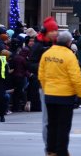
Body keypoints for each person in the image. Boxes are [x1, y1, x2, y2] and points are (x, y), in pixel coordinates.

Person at [38, 31, 81, 156]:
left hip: (49, 94)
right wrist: (80, 94)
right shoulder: (69, 56)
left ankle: (51, 150)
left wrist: (46, 88)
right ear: (69, 42)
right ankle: (61, 151)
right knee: (63, 126)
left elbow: (41, 75)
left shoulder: (47, 54)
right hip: (65, 96)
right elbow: (76, 77)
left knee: (51, 124)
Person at [28, 16, 59, 144]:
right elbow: (31, 64)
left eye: (56, 30)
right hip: (45, 84)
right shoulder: (38, 45)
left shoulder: (56, 44)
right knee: (47, 118)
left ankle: (55, 144)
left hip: (57, 84)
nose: (55, 33)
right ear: (46, 32)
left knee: (56, 118)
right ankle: (49, 146)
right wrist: (45, 68)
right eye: (52, 30)